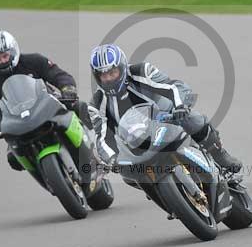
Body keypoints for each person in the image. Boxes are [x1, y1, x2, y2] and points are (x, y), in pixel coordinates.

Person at [87, 43, 242, 176]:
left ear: (121, 68)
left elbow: (170, 88)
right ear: (96, 76)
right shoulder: (96, 103)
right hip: (136, 138)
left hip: (167, 113)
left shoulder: (141, 71)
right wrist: (112, 159)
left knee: (190, 118)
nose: (108, 78)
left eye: (112, 72)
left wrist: (179, 107)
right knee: (127, 173)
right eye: (103, 75)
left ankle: (219, 155)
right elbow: (101, 137)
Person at [0, 30, 82, 171]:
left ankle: (96, 145)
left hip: (48, 106)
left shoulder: (34, 61)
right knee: (13, 159)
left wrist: (67, 88)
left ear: (13, 50)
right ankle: (46, 177)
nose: (3, 61)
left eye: (5, 55)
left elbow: (57, 75)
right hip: (16, 122)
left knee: (79, 106)